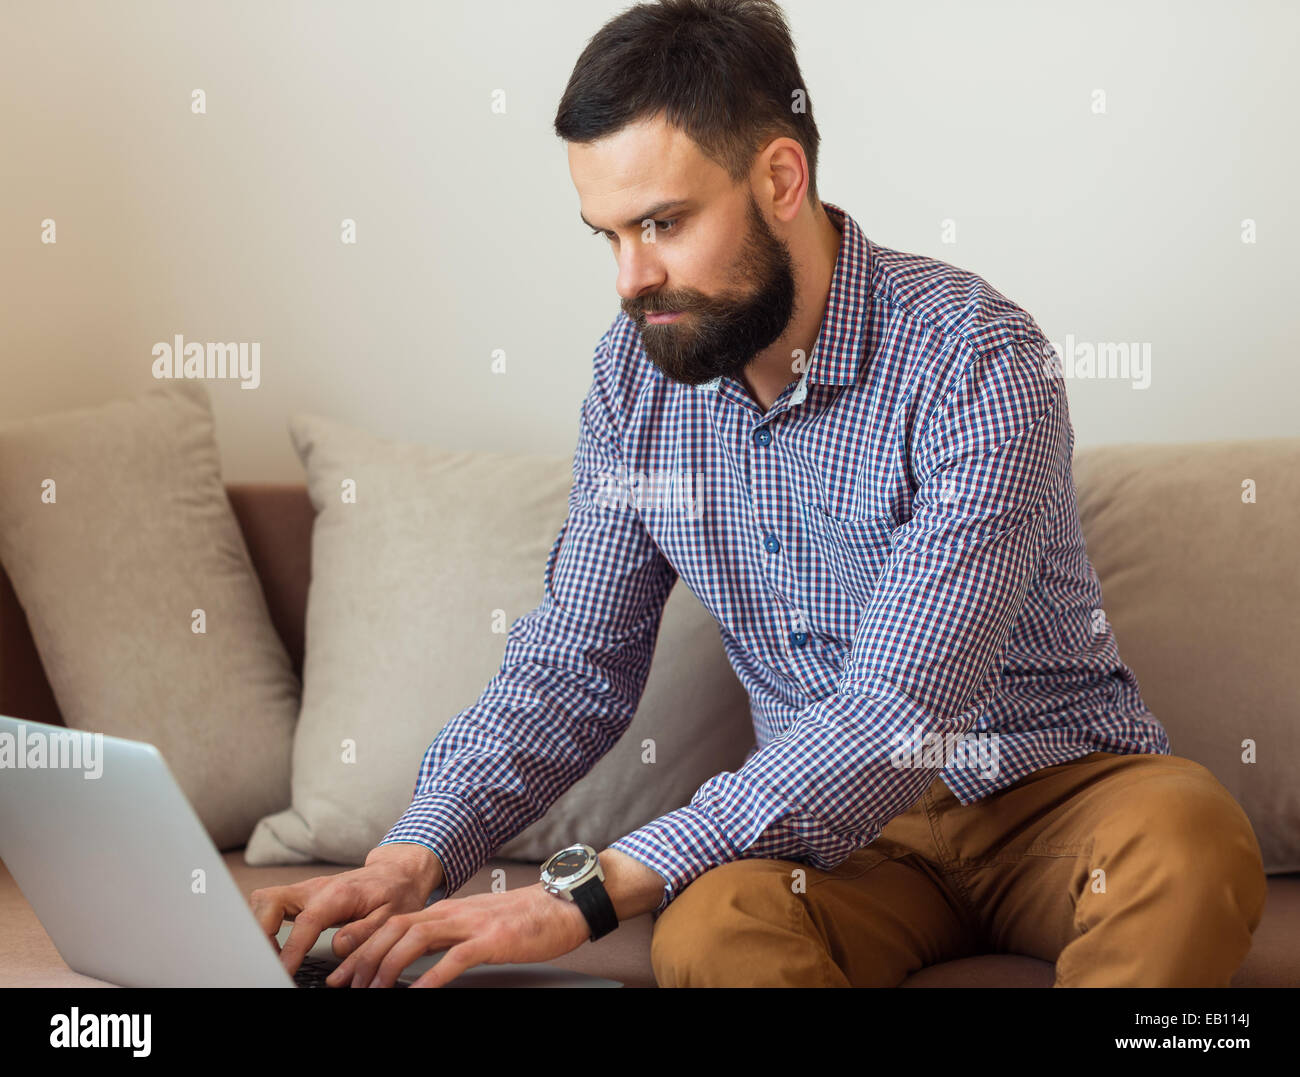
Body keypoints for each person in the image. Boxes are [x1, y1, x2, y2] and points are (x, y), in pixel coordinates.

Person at [249, 0, 1266, 988]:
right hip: (832, 845)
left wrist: (588, 893)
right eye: (605, 235)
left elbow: (901, 707)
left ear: (780, 176)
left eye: (662, 223)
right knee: (712, 929)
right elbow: (573, 664)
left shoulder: (978, 360)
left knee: (1187, 849)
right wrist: (410, 857)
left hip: (1052, 797)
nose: (628, 279)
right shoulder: (633, 376)